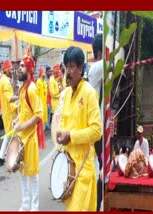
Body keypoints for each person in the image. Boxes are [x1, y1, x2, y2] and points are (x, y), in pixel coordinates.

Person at [56, 46, 101, 211]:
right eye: (66, 67)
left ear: (81, 68)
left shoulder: (89, 93)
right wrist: (61, 134)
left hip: (83, 166)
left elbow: (97, 131)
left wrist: (71, 136)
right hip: (68, 166)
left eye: (72, 66)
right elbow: (65, 125)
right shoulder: (67, 94)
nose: (68, 71)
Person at [12, 46, 43, 211]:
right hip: (21, 138)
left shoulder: (32, 89)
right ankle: (25, 204)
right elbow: (24, 111)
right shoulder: (22, 88)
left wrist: (23, 125)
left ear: (30, 70)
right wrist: (16, 119)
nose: (18, 68)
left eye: (22, 66)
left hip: (30, 139)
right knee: (22, 173)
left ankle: (34, 206)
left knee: (33, 175)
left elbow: (39, 114)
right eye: (19, 66)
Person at [87, 33, 103, 211]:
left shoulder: (96, 68)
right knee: (98, 169)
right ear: (100, 52)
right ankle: (97, 205)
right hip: (97, 128)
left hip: (100, 125)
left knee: (99, 167)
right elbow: (113, 61)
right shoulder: (97, 67)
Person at [0, 60, 19, 166]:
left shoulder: (4, 79)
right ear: (6, 70)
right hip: (9, 113)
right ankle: (12, 157)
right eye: (11, 69)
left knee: (8, 135)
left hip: (8, 111)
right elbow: (8, 98)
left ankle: (1, 157)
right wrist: (19, 97)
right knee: (12, 135)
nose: (12, 71)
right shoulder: (4, 81)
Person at [36, 66, 48, 131]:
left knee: (44, 118)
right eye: (44, 72)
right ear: (41, 73)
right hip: (40, 104)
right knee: (41, 119)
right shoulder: (38, 82)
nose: (45, 74)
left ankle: (42, 131)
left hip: (44, 104)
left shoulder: (45, 82)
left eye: (45, 72)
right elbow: (37, 94)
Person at [44, 66, 52, 131]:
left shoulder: (50, 79)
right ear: (46, 72)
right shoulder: (45, 80)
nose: (50, 72)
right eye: (49, 71)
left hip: (50, 98)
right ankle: (46, 125)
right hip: (45, 99)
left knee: (49, 112)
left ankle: (48, 124)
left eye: (50, 71)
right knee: (46, 112)